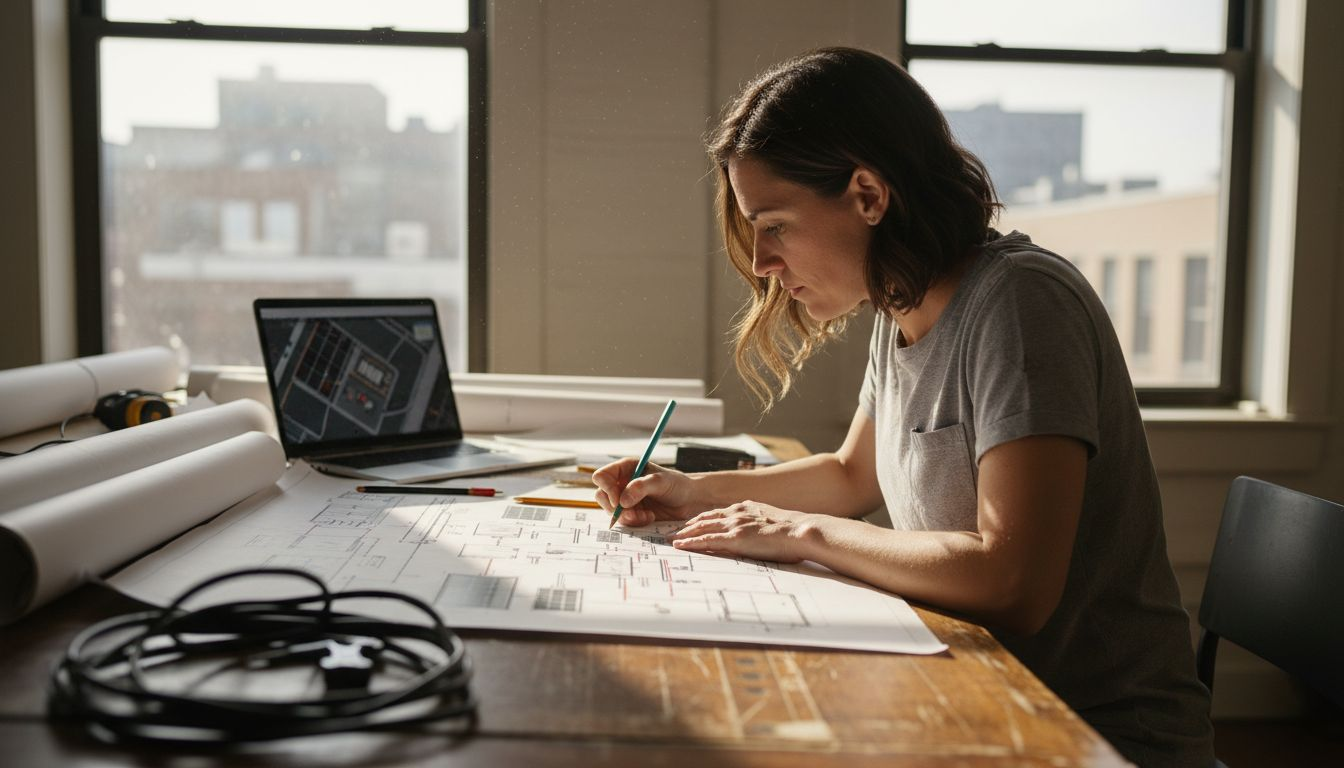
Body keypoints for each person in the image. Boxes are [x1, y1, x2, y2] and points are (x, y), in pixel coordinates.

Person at [593, 47, 1214, 767]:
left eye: (776, 225)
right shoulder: (901, 307)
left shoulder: (1021, 305)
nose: (761, 262)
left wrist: (801, 532)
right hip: (976, 694)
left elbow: (1012, 581)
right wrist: (691, 493)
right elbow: (854, 475)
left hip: (1090, 736)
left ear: (867, 194)